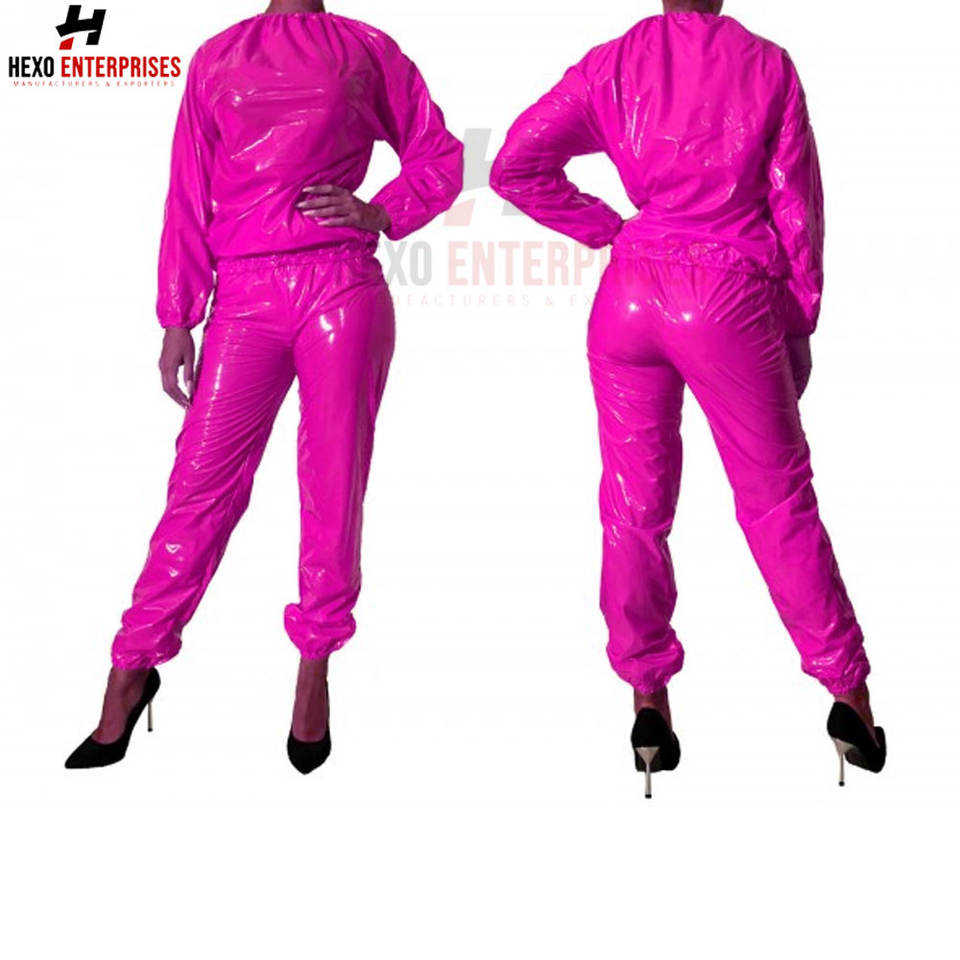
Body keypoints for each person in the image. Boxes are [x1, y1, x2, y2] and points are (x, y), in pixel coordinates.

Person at [490, 0, 885, 795]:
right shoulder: (766, 65)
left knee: (632, 506)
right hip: (727, 299)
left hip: (629, 299)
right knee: (777, 502)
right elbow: (797, 209)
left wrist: (613, 231)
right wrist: (798, 316)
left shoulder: (614, 61)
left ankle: (647, 699)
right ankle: (847, 694)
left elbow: (515, 165)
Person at [65, 0, 463, 773]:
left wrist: (380, 211)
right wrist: (179, 317)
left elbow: (440, 155)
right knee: (199, 484)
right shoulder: (218, 55)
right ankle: (133, 663)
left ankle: (315, 665)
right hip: (244, 295)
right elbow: (188, 190)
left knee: (333, 483)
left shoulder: (366, 48)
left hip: (339, 283)